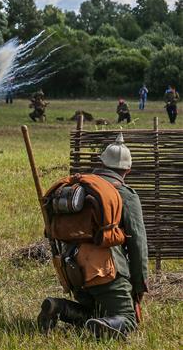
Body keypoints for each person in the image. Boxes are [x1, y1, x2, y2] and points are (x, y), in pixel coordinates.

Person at [38, 133, 148, 339]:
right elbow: (138, 244)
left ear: (101, 163)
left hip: (72, 269)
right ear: (128, 170)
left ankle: (58, 307)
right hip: (105, 270)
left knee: (96, 313)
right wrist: (139, 285)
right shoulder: (126, 195)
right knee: (127, 318)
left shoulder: (79, 188)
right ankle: (103, 328)